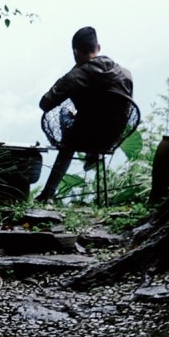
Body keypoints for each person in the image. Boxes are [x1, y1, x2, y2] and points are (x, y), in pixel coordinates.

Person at [35, 26, 134, 204]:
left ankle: (48, 194)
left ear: (75, 51)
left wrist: (72, 73)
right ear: (99, 48)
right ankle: (93, 156)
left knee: (67, 118)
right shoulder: (125, 74)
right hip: (111, 137)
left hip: (83, 136)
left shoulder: (75, 76)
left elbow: (45, 103)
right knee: (92, 118)